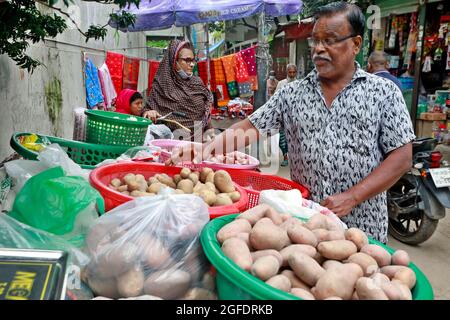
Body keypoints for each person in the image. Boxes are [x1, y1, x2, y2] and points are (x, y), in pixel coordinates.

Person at [170, 2, 415, 244]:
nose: (319, 48)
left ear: (356, 44)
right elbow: (250, 127)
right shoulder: (292, 94)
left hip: (363, 229)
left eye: (329, 40)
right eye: (315, 40)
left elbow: (402, 157)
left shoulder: (383, 93)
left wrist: (352, 197)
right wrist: (204, 150)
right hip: (304, 227)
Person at [141, 39, 213, 138]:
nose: (192, 64)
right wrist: (148, 112)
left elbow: (205, 113)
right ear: (174, 60)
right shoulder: (162, 85)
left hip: (198, 142)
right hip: (169, 143)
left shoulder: (197, 83)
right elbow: (147, 110)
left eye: (193, 60)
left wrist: (210, 130)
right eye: (187, 60)